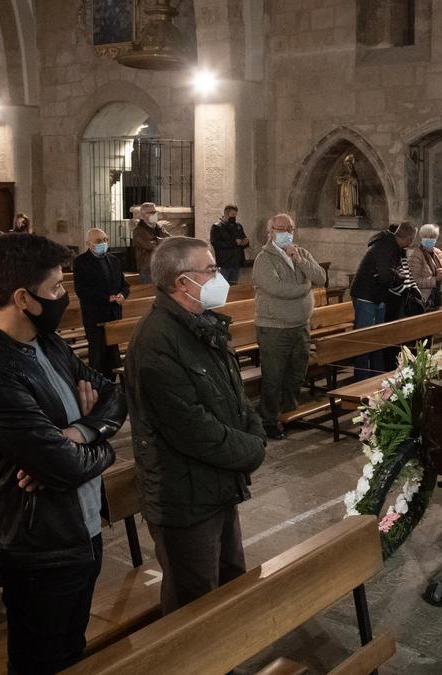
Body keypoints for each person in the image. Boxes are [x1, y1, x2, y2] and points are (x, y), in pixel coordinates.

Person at [0, 233, 127, 673]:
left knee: (72, 652)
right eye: (55, 288)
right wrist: (98, 447)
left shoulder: (47, 344)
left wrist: (78, 432)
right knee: (41, 662)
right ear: (22, 298)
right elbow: (66, 466)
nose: (63, 297)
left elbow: (112, 393)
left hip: (81, 529)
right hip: (39, 547)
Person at [125, 237, 266, 614]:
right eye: (211, 270)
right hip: (184, 498)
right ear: (183, 282)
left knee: (230, 582)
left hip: (216, 486)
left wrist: (254, 430)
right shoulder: (155, 342)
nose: (218, 276)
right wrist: (252, 450)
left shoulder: (202, 325)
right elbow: (191, 427)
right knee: (195, 604)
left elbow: (234, 395)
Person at [251, 213, 326, 441]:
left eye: (290, 228)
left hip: (300, 325)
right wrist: (305, 287)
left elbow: (321, 277)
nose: (286, 232)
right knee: (274, 377)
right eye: (280, 228)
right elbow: (277, 288)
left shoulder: (301, 253)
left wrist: (300, 261)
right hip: (274, 327)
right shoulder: (264, 258)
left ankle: (291, 414)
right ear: (271, 232)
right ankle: (269, 421)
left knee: (295, 374)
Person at [349, 222, 417, 379]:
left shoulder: (394, 247)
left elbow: (386, 276)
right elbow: (387, 277)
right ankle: (361, 378)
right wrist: (397, 278)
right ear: (409, 239)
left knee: (379, 337)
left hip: (378, 296)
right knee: (364, 338)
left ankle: (377, 375)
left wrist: (394, 276)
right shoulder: (385, 246)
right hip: (366, 296)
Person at [73, 227, 130, 378]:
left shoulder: (113, 260)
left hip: (113, 314)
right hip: (95, 316)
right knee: (98, 356)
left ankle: (113, 386)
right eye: (99, 241)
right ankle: (97, 387)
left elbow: (124, 285)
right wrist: (106, 298)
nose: (103, 243)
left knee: (113, 354)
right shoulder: (81, 262)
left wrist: (122, 295)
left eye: (105, 240)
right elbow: (82, 290)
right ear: (88, 243)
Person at [408, 223, 442, 311]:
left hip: (437, 297)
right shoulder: (416, 254)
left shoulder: (439, 253)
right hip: (423, 299)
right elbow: (414, 282)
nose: (430, 239)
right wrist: (435, 279)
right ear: (422, 237)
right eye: (427, 237)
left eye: (433, 237)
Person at [132, 202, 171, 283]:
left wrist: (160, 241)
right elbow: (152, 246)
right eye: (151, 212)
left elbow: (171, 240)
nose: (154, 214)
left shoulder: (158, 227)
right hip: (148, 270)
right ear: (143, 215)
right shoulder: (139, 231)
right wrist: (163, 242)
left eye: (155, 212)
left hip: (162, 267)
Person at [210, 204, 250, 284]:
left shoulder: (238, 226)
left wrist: (245, 242)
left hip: (236, 263)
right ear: (226, 214)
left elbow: (243, 238)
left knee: (234, 288)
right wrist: (234, 242)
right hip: (224, 263)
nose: (234, 217)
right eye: (232, 215)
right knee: (223, 286)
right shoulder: (217, 227)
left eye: (235, 215)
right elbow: (215, 243)